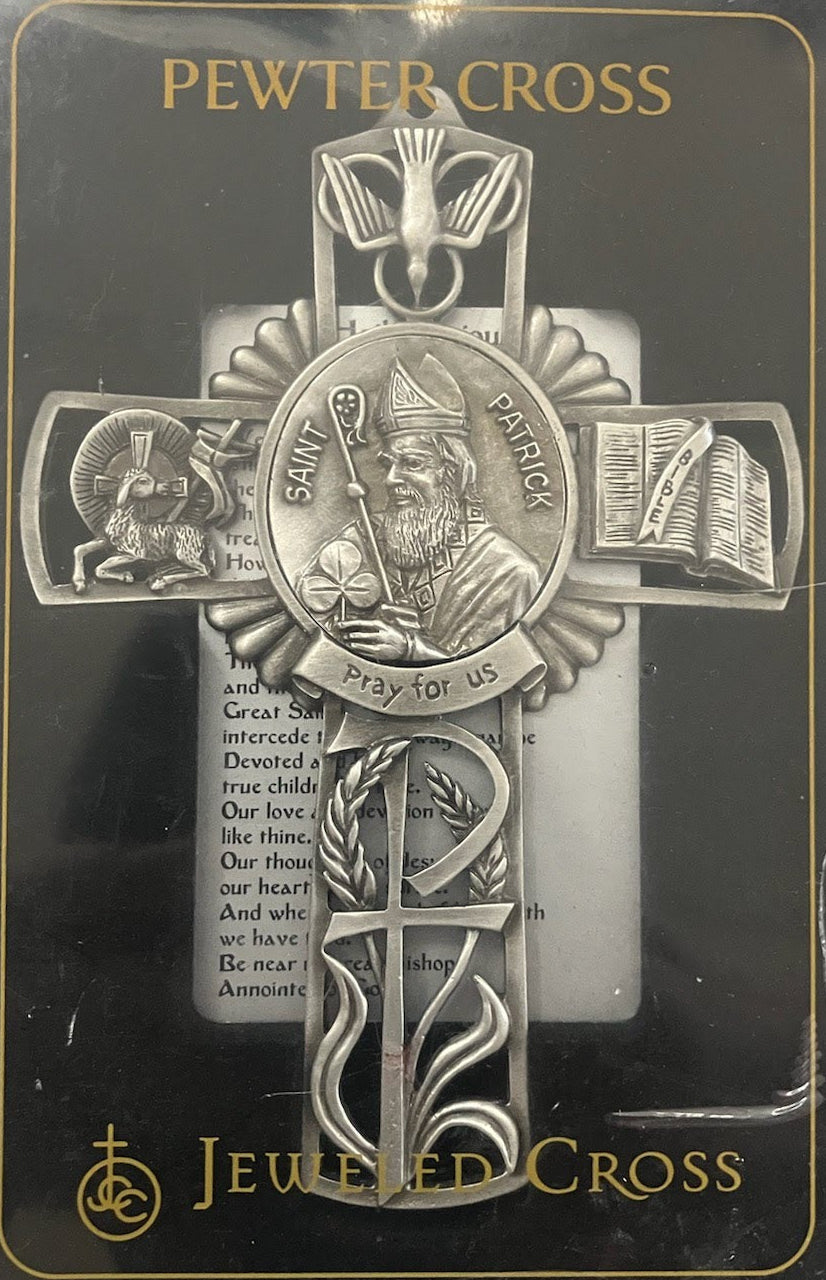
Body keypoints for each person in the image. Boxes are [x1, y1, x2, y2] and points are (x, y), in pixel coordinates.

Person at [297, 352, 541, 662]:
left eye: (412, 463)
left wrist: (411, 650)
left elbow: (495, 670)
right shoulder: (362, 537)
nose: (391, 479)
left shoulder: (508, 571)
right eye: (388, 463)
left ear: (454, 472)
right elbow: (310, 615)